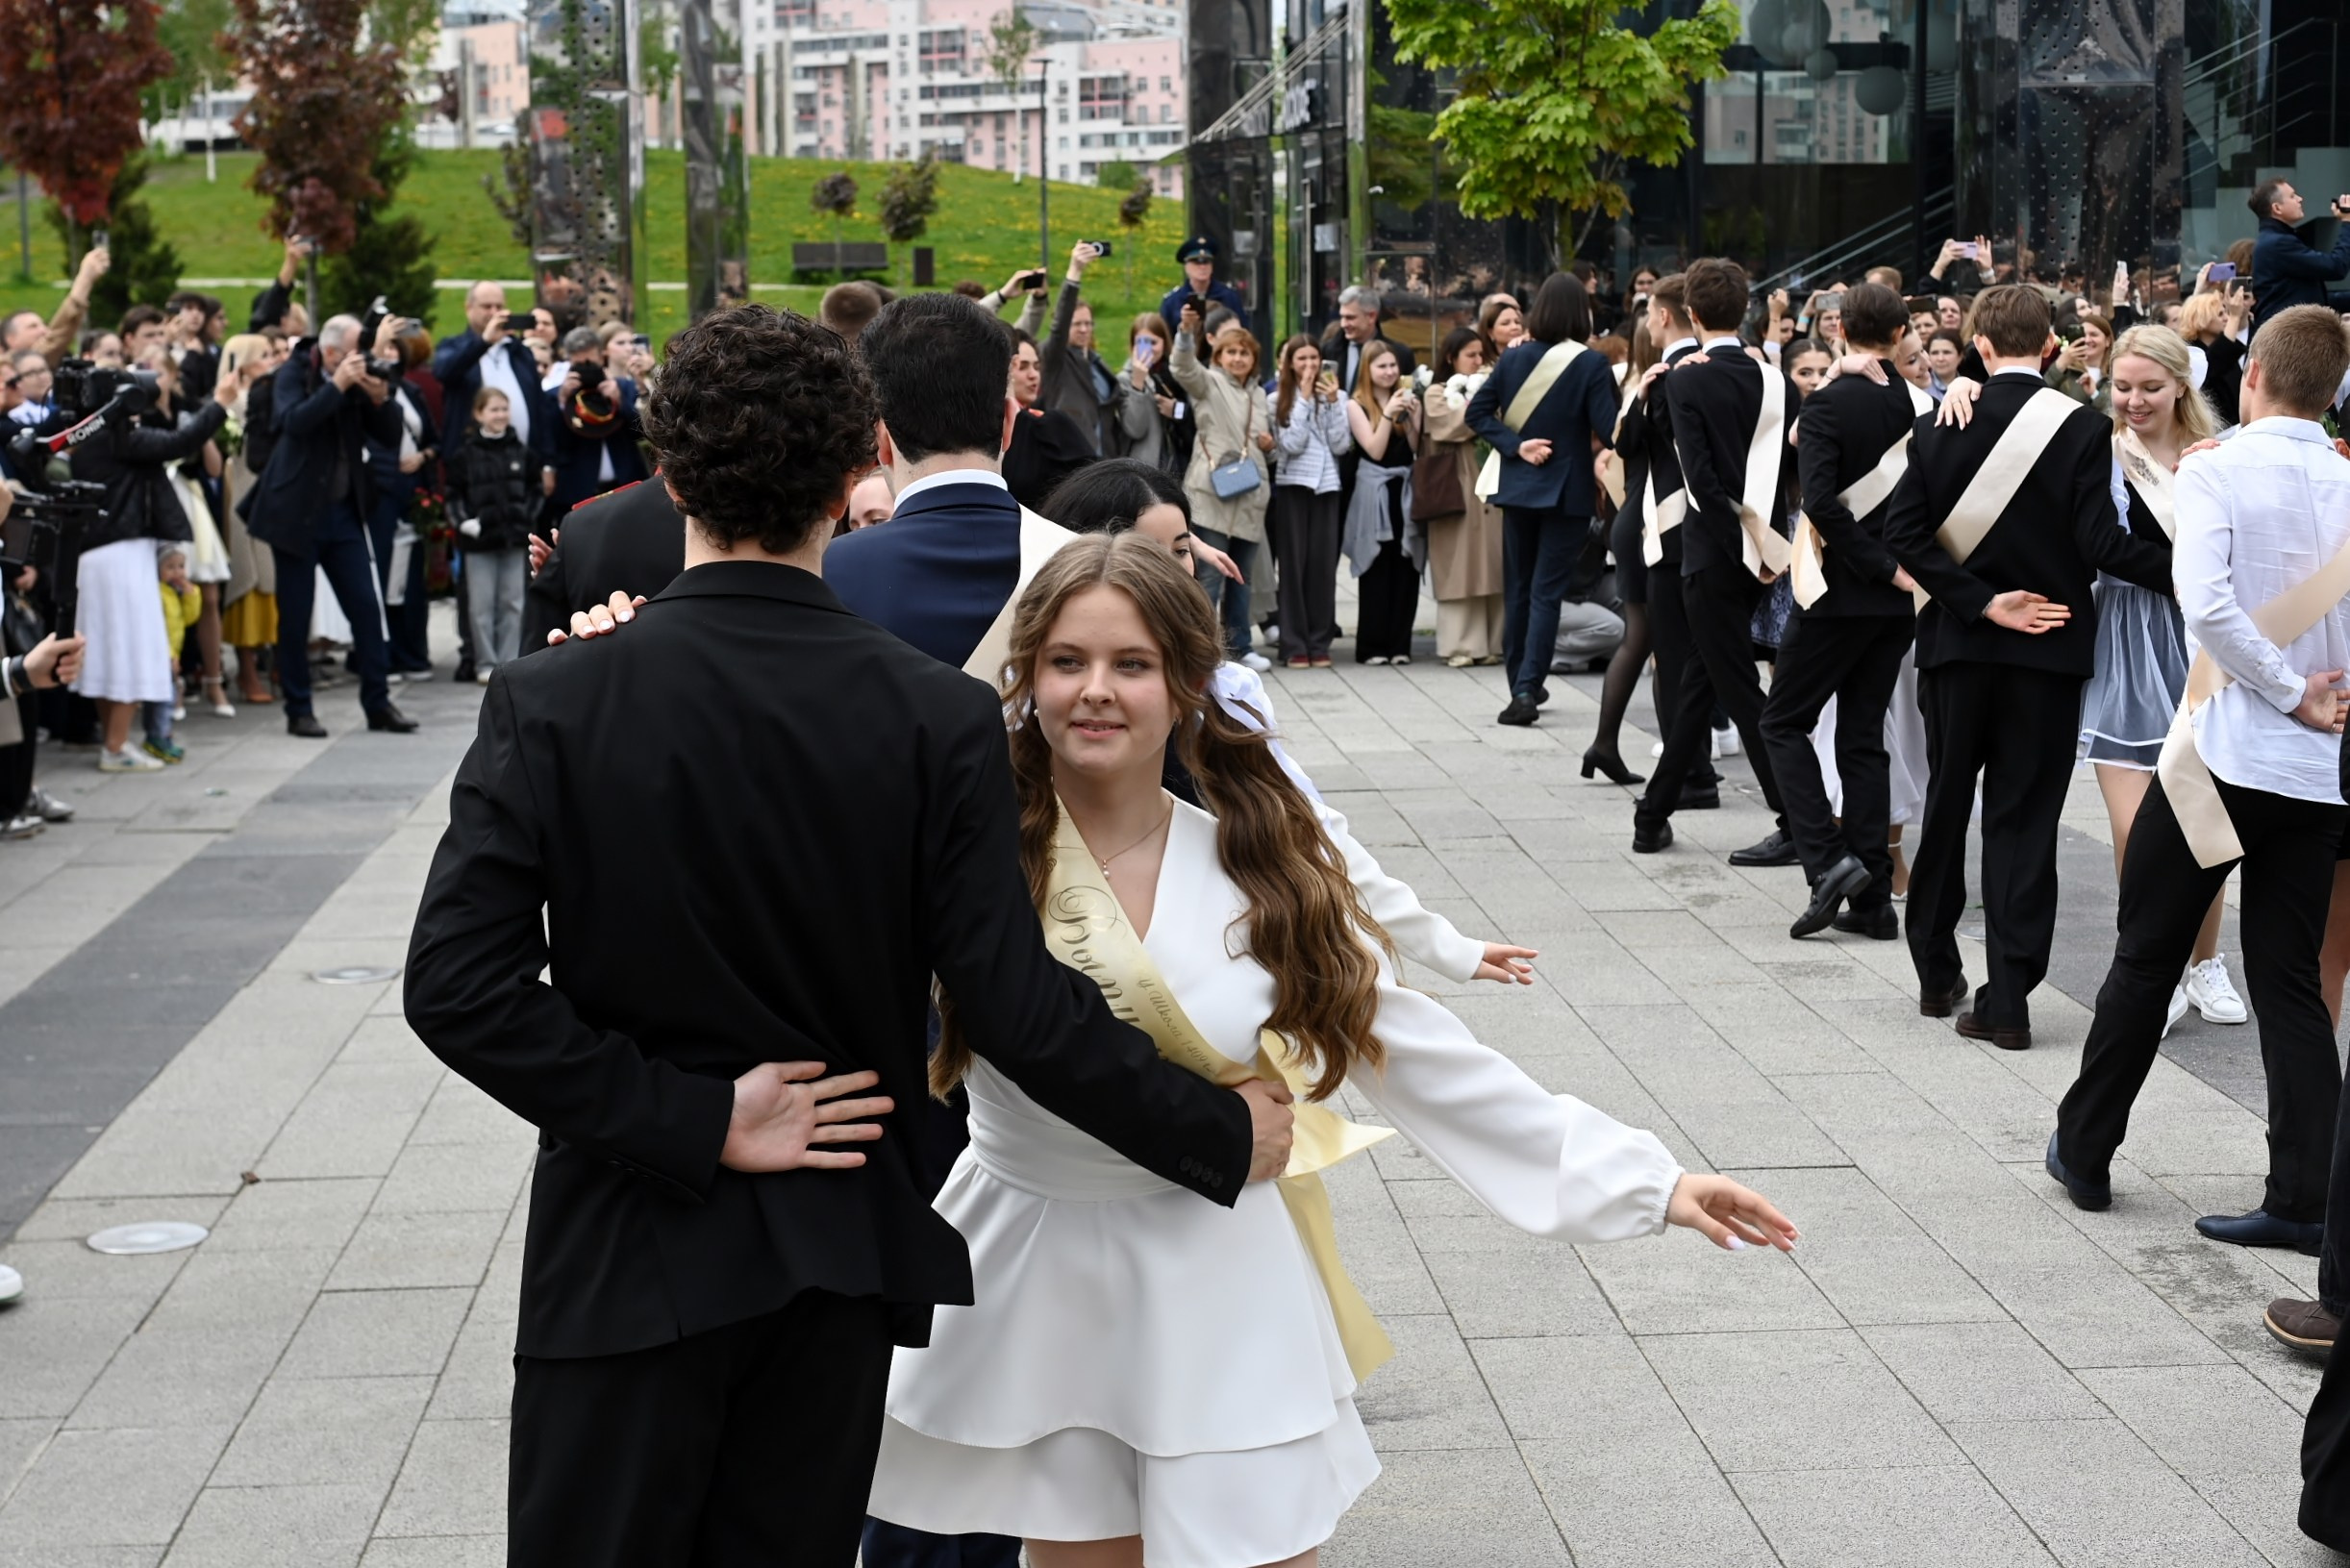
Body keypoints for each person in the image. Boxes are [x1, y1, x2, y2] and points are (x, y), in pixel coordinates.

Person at [404, 303, 1289, 1568]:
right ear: (856, 468)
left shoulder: (554, 696)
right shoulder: (932, 718)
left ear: (666, 471)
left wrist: (689, 1115)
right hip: (834, 1248)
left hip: (621, 1243)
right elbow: (1013, 1001)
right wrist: (1213, 1129)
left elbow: (457, 985)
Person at [863, 531, 1797, 1564]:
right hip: (1036, 1267)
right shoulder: (962, 853)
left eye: (1130, 664)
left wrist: (1646, 1180)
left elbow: (1414, 1044)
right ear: (1025, 676)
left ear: (1182, 686)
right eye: (1066, 662)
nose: (1094, 690)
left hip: (1215, 1270)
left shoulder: (1253, 862)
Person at [2049, 303, 2350, 1263]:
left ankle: (2086, 1149)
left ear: (2251, 373)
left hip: (2222, 758)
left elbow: (2203, 599)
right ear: (2334, 388)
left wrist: (2279, 688)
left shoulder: (2213, 469)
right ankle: (2302, 1197)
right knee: (2291, 983)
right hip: (2313, 770)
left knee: (2143, 954)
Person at [1881, 284, 2172, 1049]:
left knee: (1947, 806)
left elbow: (1903, 537)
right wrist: (2196, 572)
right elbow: (2102, 544)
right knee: (2025, 819)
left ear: (1976, 346)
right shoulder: (2081, 427)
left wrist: (1978, 602)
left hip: (1956, 647)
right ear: (2051, 345)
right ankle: (2008, 998)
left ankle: (1936, 971)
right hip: (2049, 648)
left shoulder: (1943, 422)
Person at [2070, 325, 2247, 1031]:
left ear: (2181, 384)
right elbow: (2100, 544)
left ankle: (2203, 962)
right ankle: (2152, 960)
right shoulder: (2103, 450)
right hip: (2128, 636)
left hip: (2203, 645)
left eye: (2149, 387)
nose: (2134, 400)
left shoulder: (2221, 453)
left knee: (2205, 812)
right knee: (2138, 825)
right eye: (2122, 386)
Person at [1756, 283, 1929, 939]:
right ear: (1900, 333)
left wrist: (1877, 564)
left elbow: (1823, 503)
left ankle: (1828, 863)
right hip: (1893, 600)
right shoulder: (1916, 402)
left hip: (1835, 593)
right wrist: (1894, 569)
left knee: (1782, 722)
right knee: (1862, 737)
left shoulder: (1829, 404)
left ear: (1841, 329)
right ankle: (1875, 902)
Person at [1629, 257, 1799, 859]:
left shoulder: (1686, 379)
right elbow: (1788, 471)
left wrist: (1738, 548)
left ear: (1692, 315)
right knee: (1703, 678)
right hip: (1763, 556)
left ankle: (1799, 822)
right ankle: (1652, 815)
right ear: (1747, 310)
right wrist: (1763, 551)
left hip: (1712, 555)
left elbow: (1699, 480)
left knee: (1739, 690)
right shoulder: (1777, 381)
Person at [243, 313, 418, 738]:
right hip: (295, 514)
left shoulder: (359, 373)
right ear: (334, 351)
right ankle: (299, 709)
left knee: (365, 606)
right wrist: (337, 386)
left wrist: (379, 398)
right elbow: (294, 423)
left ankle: (378, 703)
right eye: (357, 348)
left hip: (342, 513)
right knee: (295, 617)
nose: (363, 355)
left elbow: (389, 435)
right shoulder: (293, 371)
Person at [63, 349, 235, 770]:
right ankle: (117, 748)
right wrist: (222, 403)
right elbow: (180, 442)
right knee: (129, 649)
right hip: (121, 554)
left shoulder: (86, 434)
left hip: (97, 556)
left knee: (105, 652)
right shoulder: (117, 437)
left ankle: (114, 741)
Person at [1469, 272, 1617, 727]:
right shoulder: (1590, 364)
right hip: (1568, 490)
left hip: (1518, 486)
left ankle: (1521, 684)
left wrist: (1516, 446)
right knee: (1546, 592)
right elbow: (1611, 429)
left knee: (1518, 588)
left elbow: (1475, 412)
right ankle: (1529, 687)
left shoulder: (1513, 360)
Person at [1168, 305, 1272, 666]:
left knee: (1242, 578)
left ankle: (1241, 646)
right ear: (1219, 355)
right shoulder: (1208, 382)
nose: (1238, 358)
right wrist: (1184, 332)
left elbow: (1268, 448)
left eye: (1244, 352)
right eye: (1231, 352)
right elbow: (1183, 367)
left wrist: (1270, 446)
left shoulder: (1259, 395)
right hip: (1211, 493)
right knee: (1209, 574)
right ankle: (1198, 648)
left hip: (1250, 494)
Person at [1420, 326, 1506, 668]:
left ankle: (1494, 643)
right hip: (1455, 486)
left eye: (1480, 354)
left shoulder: (1491, 388)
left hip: (1490, 484)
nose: (1476, 360)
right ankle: (1460, 645)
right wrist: (1483, 406)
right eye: (1469, 354)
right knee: (1460, 566)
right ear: (1450, 357)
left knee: (1494, 564)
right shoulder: (1436, 393)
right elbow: (1450, 425)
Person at [1266, 334, 1350, 669]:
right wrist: (1302, 398)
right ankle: (1293, 642)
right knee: (1293, 566)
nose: (1310, 366)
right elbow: (1291, 444)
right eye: (1302, 359)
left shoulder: (1337, 396)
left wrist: (1331, 404)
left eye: (1314, 358)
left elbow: (1341, 444)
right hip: (1293, 487)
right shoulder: (1277, 400)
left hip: (1327, 487)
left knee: (1322, 567)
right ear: (1289, 364)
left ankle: (1320, 640)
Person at [446, 387, 542, 680]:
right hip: (479, 542)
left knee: (513, 602)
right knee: (481, 605)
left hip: (513, 538)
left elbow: (535, 491)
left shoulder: (522, 451)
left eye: (504, 409)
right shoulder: (465, 454)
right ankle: (485, 662)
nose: (500, 415)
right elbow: (453, 495)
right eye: (493, 409)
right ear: (479, 414)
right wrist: (465, 523)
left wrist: (525, 517)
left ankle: (508, 661)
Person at [434, 282, 557, 492]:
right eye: (486, 306)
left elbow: (540, 409)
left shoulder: (520, 352)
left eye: (499, 307)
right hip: (474, 471)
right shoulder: (453, 346)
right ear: (468, 308)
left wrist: (547, 464)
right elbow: (444, 372)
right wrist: (483, 342)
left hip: (522, 467)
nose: (494, 313)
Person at [1343, 337, 1422, 664]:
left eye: (1393, 366)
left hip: (1405, 488)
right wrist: (1389, 415)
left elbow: (1418, 448)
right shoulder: (1355, 404)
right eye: (1382, 366)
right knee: (1376, 566)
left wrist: (1415, 418)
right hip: (1374, 490)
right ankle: (1373, 646)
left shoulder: (1405, 398)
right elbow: (1374, 450)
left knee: (1406, 565)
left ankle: (1400, 644)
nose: (1389, 372)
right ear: (1368, 369)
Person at [217, 333, 281, 706]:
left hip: (269, 491)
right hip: (239, 491)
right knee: (248, 577)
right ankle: (245, 668)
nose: (271, 361)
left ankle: (271, 662)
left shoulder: (270, 395)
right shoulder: (234, 402)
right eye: (264, 355)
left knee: (271, 578)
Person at [550, 326, 647, 514]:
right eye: (579, 364)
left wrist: (619, 401)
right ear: (569, 361)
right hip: (580, 490)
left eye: (591, 363)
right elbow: (552, 441)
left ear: (601, 356)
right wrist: (562, 402)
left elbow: (642, 433)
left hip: (626, 485)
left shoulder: (624, 387)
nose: (586, 370)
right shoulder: (555, 395)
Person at [1000, 329, 1097, 513]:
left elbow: (1094, 490)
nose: (1033, 375)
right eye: (1022, 367)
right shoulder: (978, 431)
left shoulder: (1051, 427)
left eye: (1036, 367)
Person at [1037, 244, 1120, 458]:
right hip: (1070, 458)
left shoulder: (1098, 363)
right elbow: (1059, 328)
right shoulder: (1055, 359)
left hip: (1104, 458)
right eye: (1077, 324)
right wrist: (1074, 273)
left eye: (1088, 323)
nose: (1084, 329)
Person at [2247, 179, 2350, 332]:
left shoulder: (2277, 240)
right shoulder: (2278, 243)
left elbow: (2311, 297)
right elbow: (2335, 267)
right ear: (2277, 208)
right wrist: (2347, 222)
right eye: (2292, 196)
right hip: (2287, 339)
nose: (2300, 199)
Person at [145, 545, 199, 762]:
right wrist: (168, 655)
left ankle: (160, 734)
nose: (177, 572)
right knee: (164, 698)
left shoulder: (174, 593)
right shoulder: (156, 593)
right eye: (170, 567)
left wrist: (191, 595)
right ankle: (159, 736)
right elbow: (156, 627)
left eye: (181, 566)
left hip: (171, 652)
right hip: (161, 653)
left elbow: (189, 618)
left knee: (165, 696)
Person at [1115, 312, 1183, 473]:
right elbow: (1135, 429)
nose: (1148, 348)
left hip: (1175, 460)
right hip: (1144, 466)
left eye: (1153, 342)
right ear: (1132, 346)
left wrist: (1175, 410)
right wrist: (1138, 385)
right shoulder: (1125, 379)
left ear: (1164, 343)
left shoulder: (1172, 375)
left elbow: (1188, 415)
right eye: (1141, 342)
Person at [1321, 284, 1416, 390]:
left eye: (1350, 318)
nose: (1343, 324)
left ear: (1371, 316)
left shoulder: (1401, 355)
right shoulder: (1328, 351)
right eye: (1342, 317)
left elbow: (1408, 393)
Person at [1157, 234, 1250, 336]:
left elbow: (1243, 333)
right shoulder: (1172, 302)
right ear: (1186, 267)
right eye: (1196, 262)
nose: (1202, 267)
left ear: (1212, 266)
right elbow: (1164, 338)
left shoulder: (1229, 296)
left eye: (1206, 262)